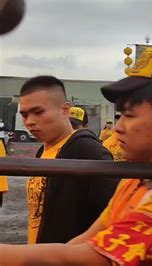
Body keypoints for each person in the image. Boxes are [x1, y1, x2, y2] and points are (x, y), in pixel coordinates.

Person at [0, 48, 152, 265]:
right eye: (119, 116)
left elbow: (83, 260)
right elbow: (82, 242)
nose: (118, 128)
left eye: (129, 115)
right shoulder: (135, 183)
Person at [17, 75, 118, 244]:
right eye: (24, 115)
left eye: (38, 112)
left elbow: (111, 219)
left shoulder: (88, 152)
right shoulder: (43, 151)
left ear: (65, 110)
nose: (29, 122)